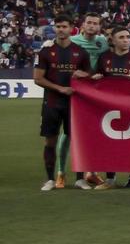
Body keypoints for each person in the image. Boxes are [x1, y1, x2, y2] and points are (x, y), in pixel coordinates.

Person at [34, 14, 92, 191]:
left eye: (64, 26)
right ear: (54, 28)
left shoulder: (80, 52)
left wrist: (85, 75)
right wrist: (60, 89)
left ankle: (80, 179)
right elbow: (38, 78)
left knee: (77, 141)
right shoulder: (45, 51)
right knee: (50, 141)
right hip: (52, 103)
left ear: (71, 28)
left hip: (74, 104)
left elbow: (90, 74)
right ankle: (50, 179)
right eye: (58, 26)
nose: (60, 29)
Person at [91, 25, 130, 190]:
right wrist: (95, 78)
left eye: (128, 37)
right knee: (110, 143)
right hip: (110, 108)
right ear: (113, 40)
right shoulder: (104, 58)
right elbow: (97, 78)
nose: (126, 40)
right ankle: (110, 179)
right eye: (122, 37)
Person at [69, 11, 109, 188]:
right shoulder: (73, 42)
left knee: (97, 132)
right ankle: (62, 172)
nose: (92, 26)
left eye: (95, 23)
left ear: (100, 26)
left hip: (98, 92)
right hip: (77, 92)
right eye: (89, 23)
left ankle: (91, 172)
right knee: (69, 133)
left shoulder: (103, 42)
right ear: (83, 25)